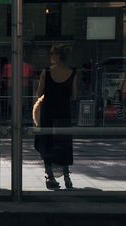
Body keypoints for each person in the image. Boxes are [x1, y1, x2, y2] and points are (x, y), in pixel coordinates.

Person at [34, 43, 78, 189]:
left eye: (52, 53)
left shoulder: (46, 72)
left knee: (47, 143)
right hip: (64, 113)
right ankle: (66, 176)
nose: (50, 56)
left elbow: (39, 94)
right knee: (63, 144)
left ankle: (50, 176)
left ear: (58, 56)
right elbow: (74, 95)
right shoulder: (73, 72)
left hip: (48, 113)